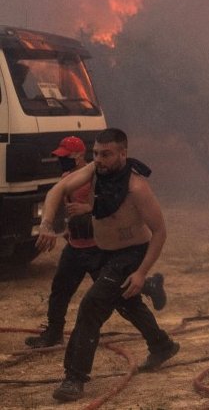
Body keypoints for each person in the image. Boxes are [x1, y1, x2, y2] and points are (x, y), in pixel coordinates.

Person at [36, 128, 178, 402]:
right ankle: (161, 345)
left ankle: (74, 377)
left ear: (123, 154)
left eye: (106, 154)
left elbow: (159, 231)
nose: (99, 159)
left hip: (131, 254)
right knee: (126, 302)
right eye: (96, 153)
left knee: (91, 306)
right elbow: (58, 189)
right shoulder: (94, 170)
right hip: (104, 252)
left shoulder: (137, 188)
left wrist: (140, 273)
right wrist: (45, 224)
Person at [25, 136, 167, 349]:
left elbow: (115, 210)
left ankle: (158, 338)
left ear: (79, 156)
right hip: (75, 245)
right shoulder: (70, 177)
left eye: (66, 157)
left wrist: (88, 209)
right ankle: (54, 332)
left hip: (97, 247)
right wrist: (54, 230)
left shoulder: (99, 176)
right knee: (60, 290)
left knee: (123, 301)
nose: (61, 160)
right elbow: (60, 202)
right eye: (59, 157)